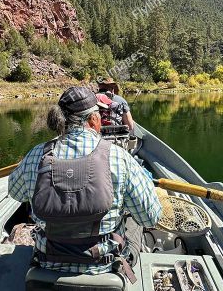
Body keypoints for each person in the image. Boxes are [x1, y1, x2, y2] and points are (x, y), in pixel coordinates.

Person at [8, 87, 162, 283]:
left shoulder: (36, 155)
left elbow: (15, 193)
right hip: (103, 267)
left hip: (47, 262)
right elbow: (151, 218)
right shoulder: (118, 157)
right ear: (93, 120)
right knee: (134, 221)